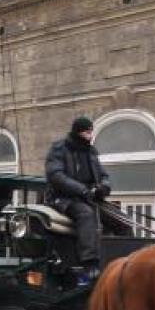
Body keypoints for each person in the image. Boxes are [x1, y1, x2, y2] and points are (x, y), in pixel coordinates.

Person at [44, 116, 121, 278]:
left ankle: (125, 258)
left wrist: (103, 188)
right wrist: (82, 190)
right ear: (78, 132)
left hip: (89, 197)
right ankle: (90, 263)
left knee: (120, 218)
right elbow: (56, 176)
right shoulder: (59, 149)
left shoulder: (91, 151)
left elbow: (103, 175)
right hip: (64, 199)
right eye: (88, 132)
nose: (91, 135)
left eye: (91, 131)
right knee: (86, 214)